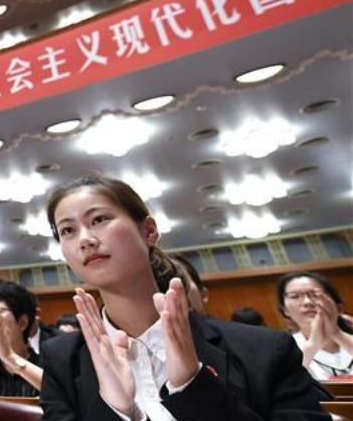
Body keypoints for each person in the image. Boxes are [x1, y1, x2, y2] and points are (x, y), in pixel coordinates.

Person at [41, 175, 331, 421]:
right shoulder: (61, 361)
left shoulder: (267, 350)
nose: (85, 240)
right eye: (68, 230)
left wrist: (193, 386)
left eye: (99, 219)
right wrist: (121, 411)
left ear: (149, 231)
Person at [277, 271, 353, 380]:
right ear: (285, 310)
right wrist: (312, 345)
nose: (307, 302)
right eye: (295, 296)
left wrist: (337, 334)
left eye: (315, 295)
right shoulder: (281, 350)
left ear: (339, 307)